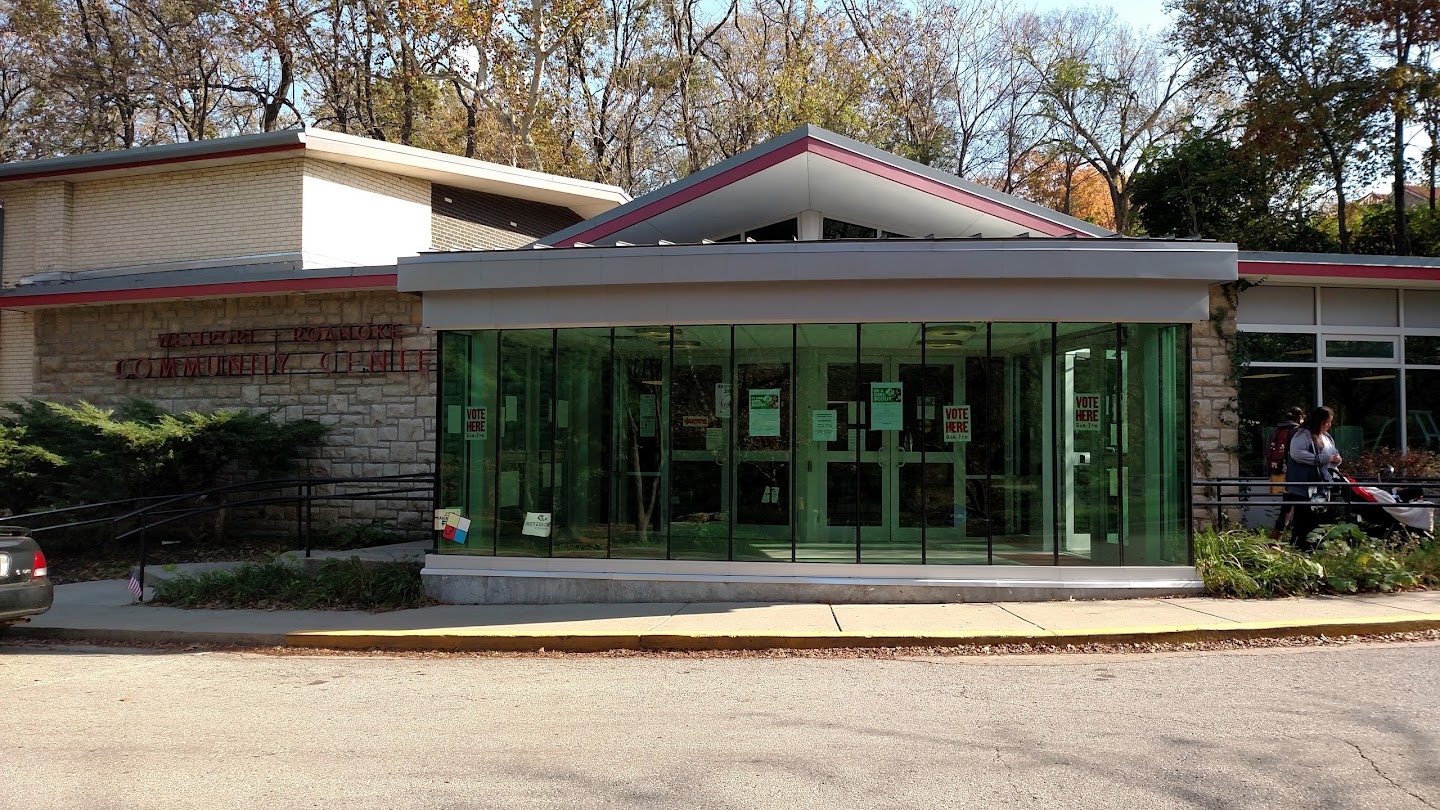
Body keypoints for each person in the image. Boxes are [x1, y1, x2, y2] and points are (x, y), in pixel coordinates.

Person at [1285, 406, 1342, 550]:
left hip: (1322, 484)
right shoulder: (1302, 435)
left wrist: (1336, 459)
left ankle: (1315, 545)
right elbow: (1297, 453)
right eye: (1327, 422)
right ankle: (1301, 546)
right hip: (1306, 485)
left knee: (1319, 517)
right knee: (1304, 518)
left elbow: (1333, 453)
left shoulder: (1327, 437)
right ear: (1319, 421)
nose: (1330, 425)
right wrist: (1322, 458)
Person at [1267, 406, 1305, 536]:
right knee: (1291, 506)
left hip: (1278, 471)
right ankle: (1279, 537)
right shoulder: (1295, 432)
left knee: (1287, 505)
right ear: (1299, 417)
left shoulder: (1277, 430)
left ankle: (1277, 537)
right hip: (1292, 473)